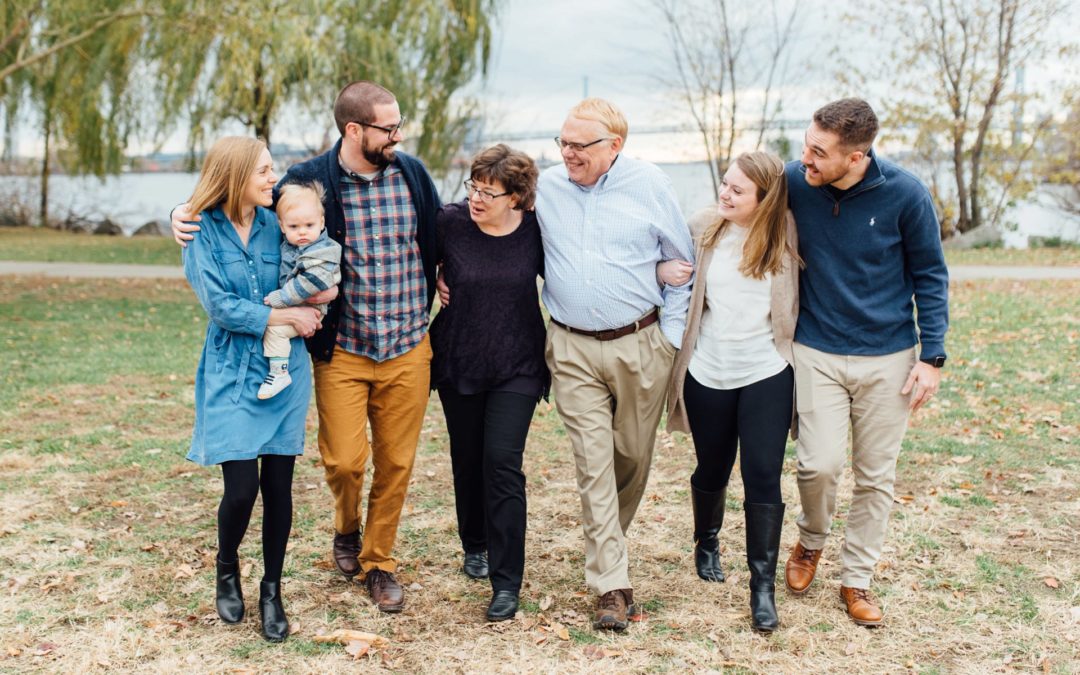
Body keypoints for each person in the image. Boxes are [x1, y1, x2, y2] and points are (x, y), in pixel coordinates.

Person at [172, 81, 441, 613]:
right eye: (389, 127)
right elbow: (231, 215)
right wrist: (182, 211)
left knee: (389, 464)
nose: (398, 135)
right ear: (354, 129)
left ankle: (366, 564)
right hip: (325, 351)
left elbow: (442, 227)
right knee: (339, 464)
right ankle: (316, 537)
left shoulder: (409, 175)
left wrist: (453, 271)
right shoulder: (303, 184)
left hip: (402, 343)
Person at [782, 98, 948, 626]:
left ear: (856, 158)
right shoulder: (793, 182)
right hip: (816, 349)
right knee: (819, 464)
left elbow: (930, 275)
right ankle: (811, 541)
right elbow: (736, 207)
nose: (805, 157)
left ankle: (857, 578)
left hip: (888, 358)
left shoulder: (905, 194)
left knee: (875, 477)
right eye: (806, 143)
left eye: (819, 152)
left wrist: (933, 357)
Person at [538, 98, 694, 631]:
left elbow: (684, 262)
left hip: (640, 343)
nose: (569, 154)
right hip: (571, 346)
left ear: (615, 146)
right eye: (563, 142)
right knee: (593, 463)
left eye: (581, 145)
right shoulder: (547, 187)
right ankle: (611, 584)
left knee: (630, 456)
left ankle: (609, 545)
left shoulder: (649, 184)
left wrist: (670, 338)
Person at [181, 136, 323, 642]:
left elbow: (319, 244)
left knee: (279, 487)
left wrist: (318, 296)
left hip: (282, 371)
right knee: (240, 488)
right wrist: (285, 314)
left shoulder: (277, 222)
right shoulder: (200, 230)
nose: (273, 178)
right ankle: (226, 566)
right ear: (237, 174)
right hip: (230, 369)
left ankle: (272, 589)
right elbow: (220, 306)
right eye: (264, 170)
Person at [663, 151, 800, 633]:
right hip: (708, 370)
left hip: (766, 369)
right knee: (713, 466)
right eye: (724, 184)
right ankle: (707, 541)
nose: (725, 193)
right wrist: (662, 272)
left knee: (763, 475)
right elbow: (657, 255)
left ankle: (761, 589)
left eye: (738, 190)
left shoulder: (787, 233)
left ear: (765, 199)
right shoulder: (703, 227)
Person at [429, 144, 546, 622]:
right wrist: (435, 276)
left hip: (519, 362)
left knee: (502, 463)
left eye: (489, 193)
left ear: (516, 198)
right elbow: (410, 262)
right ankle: (473, 543)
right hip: (460, 358)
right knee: (468, 458)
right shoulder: (449, 223)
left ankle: (506, 581)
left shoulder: (537, 231)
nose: (477, 199)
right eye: (473, 187)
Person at [257, 182, 342, 400]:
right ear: (282, 226)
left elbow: (310, 283)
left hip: (311, 308)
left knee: (275, 331)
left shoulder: (323, 250)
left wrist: (282, 298)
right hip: (299, 304)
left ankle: (279, 373)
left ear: (321, 222)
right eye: (294, 227)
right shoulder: (291, 245)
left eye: (309, 225)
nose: (302, 232)